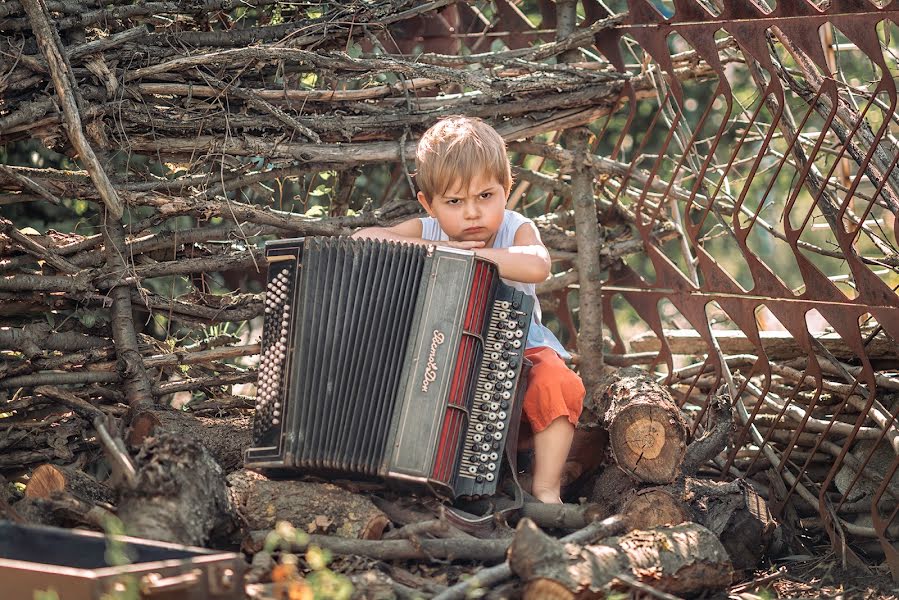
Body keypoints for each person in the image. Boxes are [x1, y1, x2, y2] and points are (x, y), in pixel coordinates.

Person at [352, 116, 585, 504]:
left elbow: (538, 264)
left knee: (557, 383)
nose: (472, 213)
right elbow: (362, 239)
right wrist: (439, 250)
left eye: (485, 196)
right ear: (429, 204)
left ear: (506, 190)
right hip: (440, 346)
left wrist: (480, 256)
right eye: (455, 202)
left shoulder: (515, 228)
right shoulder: (429, 230)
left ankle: (546, 490)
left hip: (519, 346)